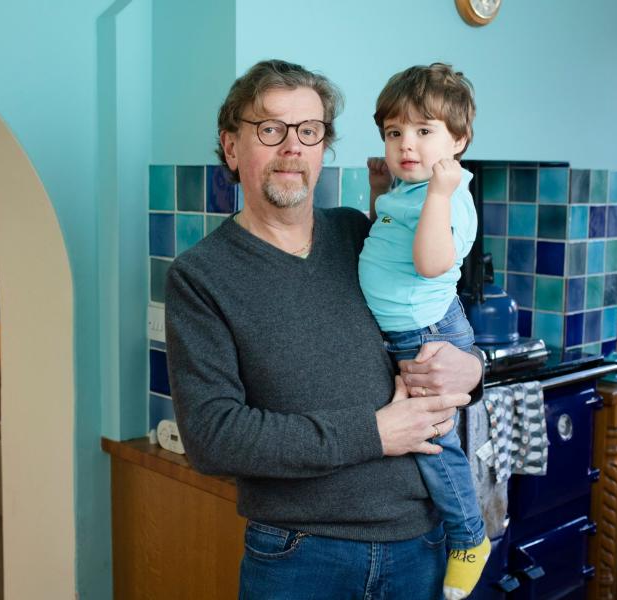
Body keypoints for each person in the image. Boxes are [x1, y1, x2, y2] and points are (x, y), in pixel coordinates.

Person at [164, 59, 485, 600]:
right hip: (300, 556)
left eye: (309, 131)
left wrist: (473, 367)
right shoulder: (201, 277)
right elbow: (214, 438)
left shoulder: (361, 235)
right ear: (231, 146)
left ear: (322, 147)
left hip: (421, 545)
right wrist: (375, 434)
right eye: (270, 129)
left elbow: (439, 321)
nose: (292, 147)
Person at [358, 63, 488, 600]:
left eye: (424, 130)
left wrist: (438, 194)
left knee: (436, 447)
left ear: (458, 141)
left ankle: (469, 537)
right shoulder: (409, 191)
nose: (406, 144)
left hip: (428, 335)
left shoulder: (447, 197)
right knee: (425, 441)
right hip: (408, 332)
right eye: (394, 132)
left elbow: (433, 262)